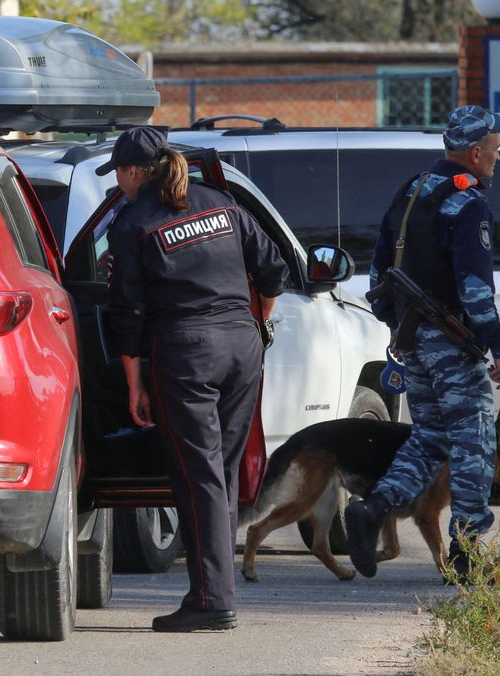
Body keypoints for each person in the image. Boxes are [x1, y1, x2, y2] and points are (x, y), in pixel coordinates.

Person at [100, 126, 288, 632]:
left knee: (198, 476)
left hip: (186, 354)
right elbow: (273, 270)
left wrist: (134, 383)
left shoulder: (133, 223)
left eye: (118, 173)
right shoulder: (221, 203)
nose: (118, 183)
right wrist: (255, 321)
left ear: (133, 172)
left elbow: (127, 313)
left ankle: (210, 601)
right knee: (221, 474)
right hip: (242, 347)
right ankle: (218, 594)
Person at [347, 105, 500, 581]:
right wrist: (498, 345)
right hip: (450, 342)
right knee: (473, 442)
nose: (498, 157)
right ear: (475, 152)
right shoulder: (467, 202)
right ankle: (466, 552)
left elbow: (378, 271)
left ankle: (374, 508)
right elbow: (474, 288)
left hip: (412, 338)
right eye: (496, 149)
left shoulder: (413, 189)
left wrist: (398, 326)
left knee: (430, 437)